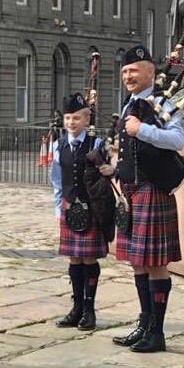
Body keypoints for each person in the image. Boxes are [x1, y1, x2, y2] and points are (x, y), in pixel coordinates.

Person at [112, 45, 184, 353]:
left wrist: (142, 130)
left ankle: (157, 333)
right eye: (125, 71)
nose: (129, 76)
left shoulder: (161, 102)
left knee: (155, 263)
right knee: (137, 263)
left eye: (135, 70)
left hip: (153, 189)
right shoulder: (128, 104)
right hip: (131, 190)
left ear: (150, 73)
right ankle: (144, 325)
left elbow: (178, 140)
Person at [50, 93, 114, 331]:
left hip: (91, 207)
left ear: (86, 119)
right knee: (74, 258)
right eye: (68, 118)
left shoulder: (96, 144)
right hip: (69, 205)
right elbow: (56, 179)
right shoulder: (58, 144)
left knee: (89, 259)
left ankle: (89, 310)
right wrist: (58, 208)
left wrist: (111, 169)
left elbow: (106, 171)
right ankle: (76, 308)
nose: (71, 122)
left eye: (76, 118)